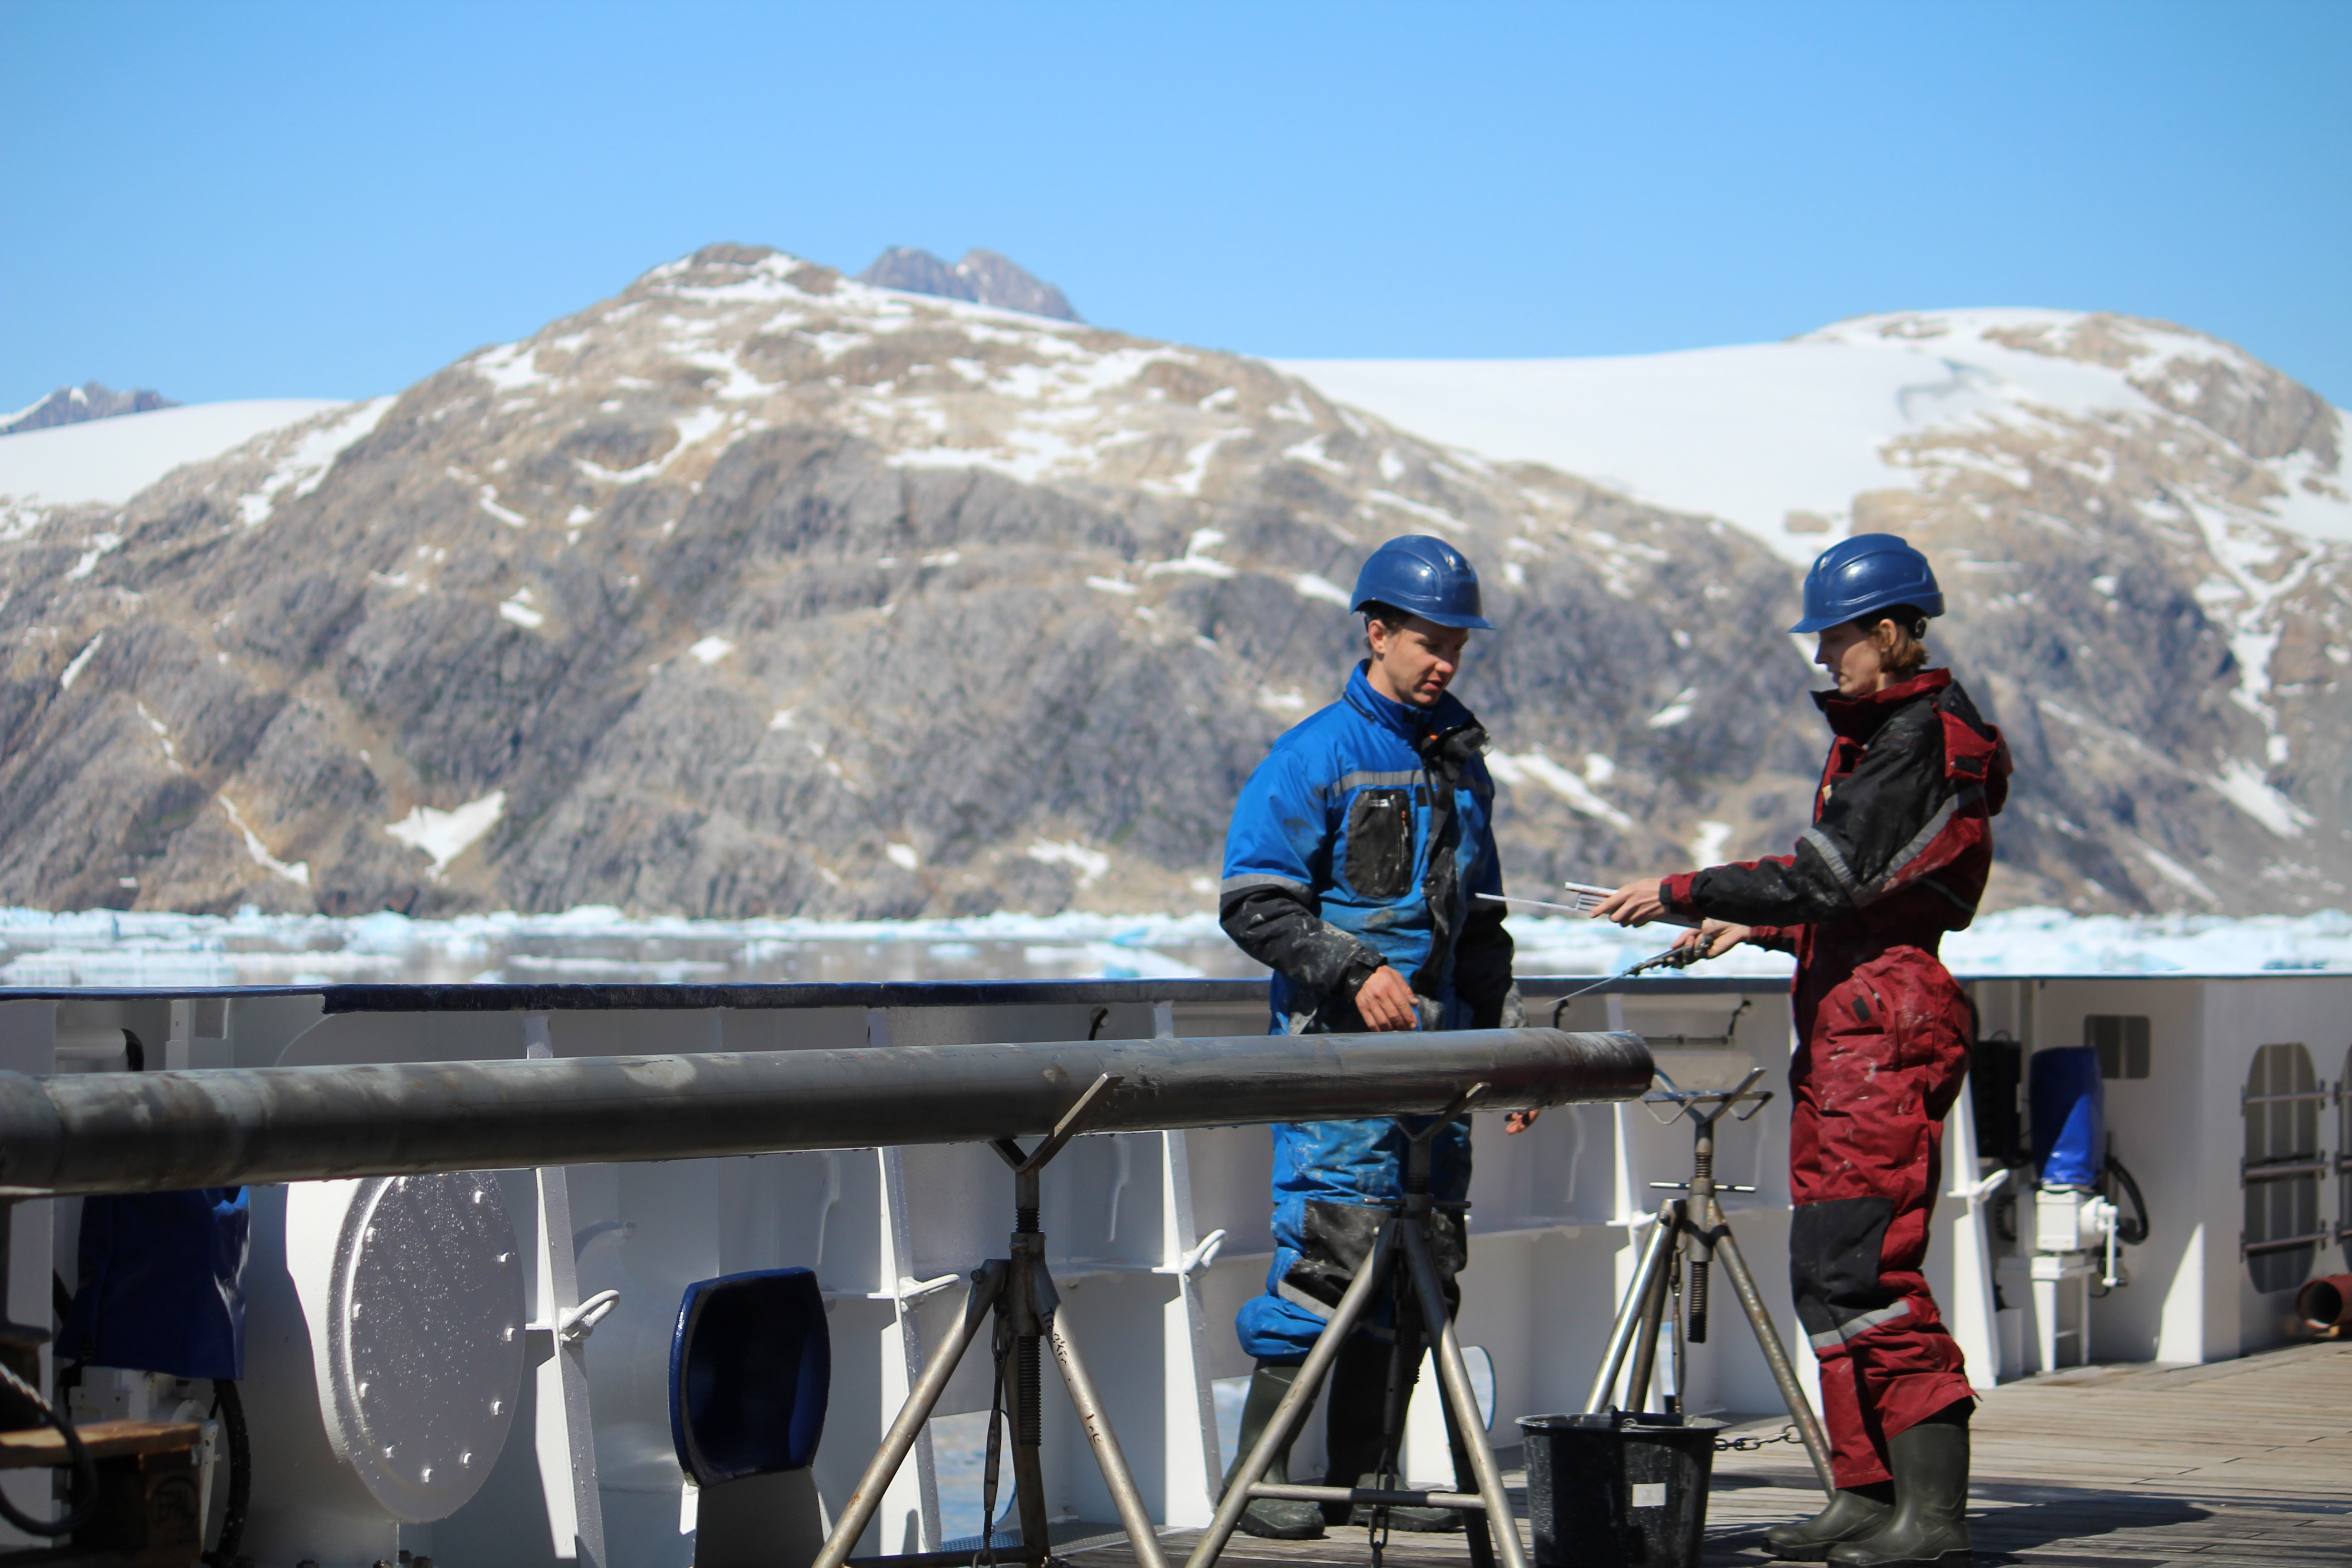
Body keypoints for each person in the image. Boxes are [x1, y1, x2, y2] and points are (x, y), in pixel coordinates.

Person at [1595, 533, 2008, 1568]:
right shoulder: (1884, 736)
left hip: (1885, 1028)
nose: (1824, 655)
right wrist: (1757, 926)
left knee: (1867, 1267)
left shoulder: (1917, 739)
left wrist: (1686, 892)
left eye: (1835, 636)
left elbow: (1831, 875)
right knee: (1825, 1270)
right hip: (1850, 1020)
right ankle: (1865, 1491)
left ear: (1889, 631)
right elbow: (1864, 896)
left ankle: (1933, 1515)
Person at [1215, 534, 1524, 1540]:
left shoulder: (1463, 768)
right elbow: (1254, 901)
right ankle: (1255, 1484)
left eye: (1458, 646)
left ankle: (1367, 1474)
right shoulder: (1315, 757)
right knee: (1328, 1256)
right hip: (1339, 1068)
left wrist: (1507, 1049)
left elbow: (1482, 930)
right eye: (1431, 643)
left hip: (1441, 1070)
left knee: (1422, 1265)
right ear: (1377, 632)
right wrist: (1352, 970)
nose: (1446, 662)